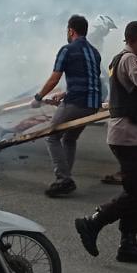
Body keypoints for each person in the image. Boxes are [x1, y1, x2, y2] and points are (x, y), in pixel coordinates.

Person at [73, 21, 137, 264]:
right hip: (126, 135)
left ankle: (128, 244)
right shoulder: (127, 59)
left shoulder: (128, 57)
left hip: (129, 133)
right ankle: (94, 222)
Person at [33, 14, 104, 198]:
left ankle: (63, 179)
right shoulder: (95, 52)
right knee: (69, 139)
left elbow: (54, 78)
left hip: (77, 103)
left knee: (51, 135)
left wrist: (38, 97)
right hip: (93, 104)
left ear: (71, 30)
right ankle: (66, 178)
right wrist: (64, 94)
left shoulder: (67, 49)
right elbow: (92, 81)